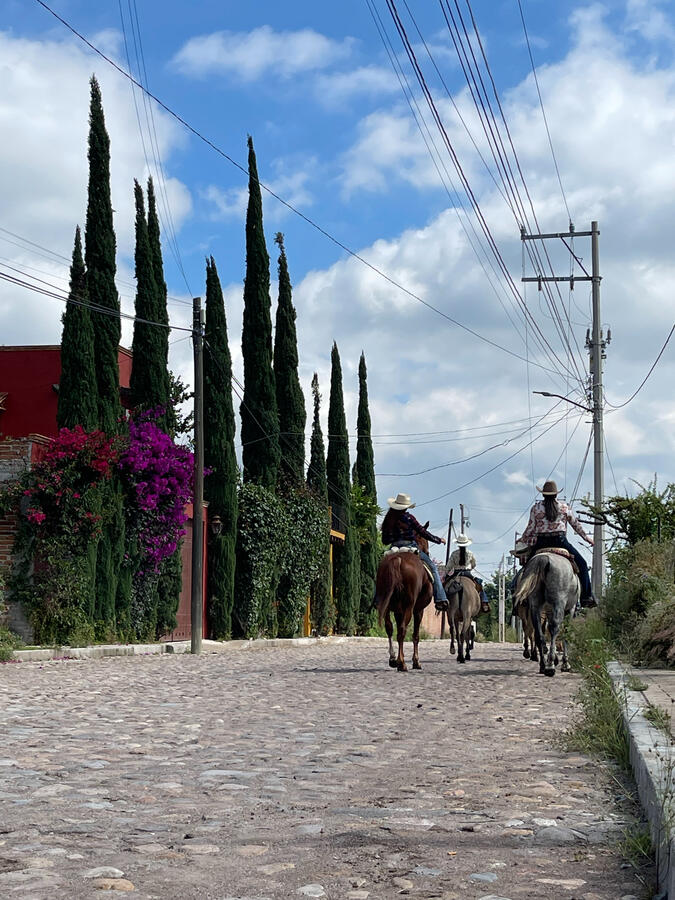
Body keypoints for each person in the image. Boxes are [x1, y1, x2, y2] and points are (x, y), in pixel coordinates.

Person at [520, 479, 597, 607]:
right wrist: (586, 538)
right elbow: (575, 525)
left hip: (541, 542)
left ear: (543, 494)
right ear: (556, 494)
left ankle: (523, 598)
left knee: (527, 568)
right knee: (582, 565)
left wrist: (523, 539)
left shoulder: (536, 508)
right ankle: (586, 597)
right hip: (560, 541)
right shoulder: (564, 507)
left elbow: (530, 528)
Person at [380, 492, 448, 611]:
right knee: (433, 568)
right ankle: (440, 598)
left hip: (393, 549)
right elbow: (422, 532)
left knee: (381, 570)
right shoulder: (409, 518)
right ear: (406, 507)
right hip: (410, 547)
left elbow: (385, 540)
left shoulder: (389, 519)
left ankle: (377, 598)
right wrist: (438, 540)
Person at [446, 533, 490, 611]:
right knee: (479, 585)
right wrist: (470, 568)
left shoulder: (454, 553)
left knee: (445, 586)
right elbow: (474, 564)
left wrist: (446, 574)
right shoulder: (470, 553)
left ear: (458, 544)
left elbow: (449, 566)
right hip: (467, 574)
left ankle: (442, 601)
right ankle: (484, 603)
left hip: (456, 573)